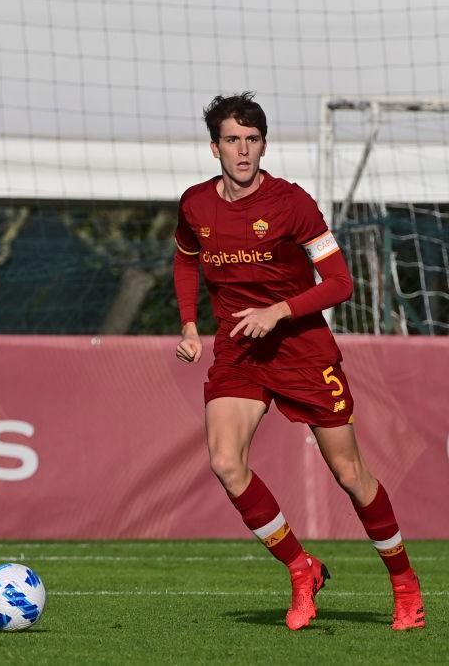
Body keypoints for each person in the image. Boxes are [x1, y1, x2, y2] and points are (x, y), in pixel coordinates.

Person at [172, 92, 425, 631]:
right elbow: (186, 259)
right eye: (232, 140)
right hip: (240, 351)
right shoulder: (195, 204)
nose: (243, 151)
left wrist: (279, 310)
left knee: (350, 473)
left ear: (264, 145)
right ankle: (300, 566)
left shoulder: (293, 204)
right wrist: (190, 324)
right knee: (224, 461)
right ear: (213, 147)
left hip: (302, 352)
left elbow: (341, 283)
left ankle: (405, 585)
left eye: (252, 140)